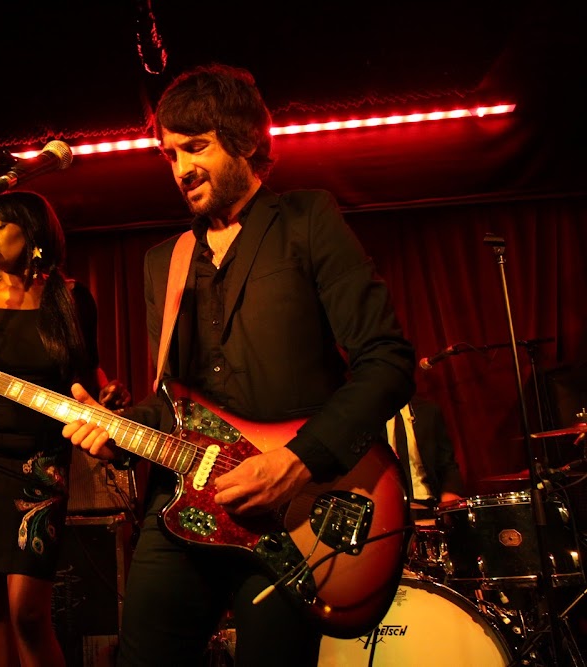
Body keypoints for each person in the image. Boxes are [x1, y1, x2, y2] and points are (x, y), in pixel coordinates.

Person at [61, 63, 416, 666]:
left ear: (246, 142)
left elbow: (388, 360)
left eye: (196, 147)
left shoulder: (307, 219)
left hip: (294, 513)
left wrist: (298, 462)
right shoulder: (164, 262)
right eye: (171, 154)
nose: (181, 168)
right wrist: (116, 431)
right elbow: (173, 403)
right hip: (182, 507)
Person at [0, 190, 124, 667]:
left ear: (33, 231)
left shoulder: (72, 298)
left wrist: (105, 397)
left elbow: (86, 373)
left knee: (29, 614)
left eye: (0, 225)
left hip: (40, 462)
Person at [387, 396, 465, 519]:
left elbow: (447, 464)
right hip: (387, 506)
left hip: (427, 502)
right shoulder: (369, 416)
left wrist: (450, 492)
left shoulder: (429, 411)